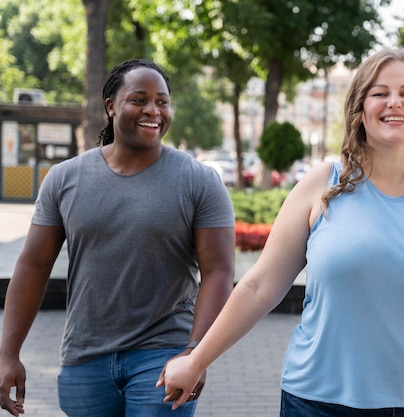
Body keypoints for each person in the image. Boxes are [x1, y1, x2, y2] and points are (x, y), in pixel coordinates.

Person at [157, 47, 404, 416]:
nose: (394, 102)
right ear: (360, 109)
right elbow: (259, 287)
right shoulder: (322, 183)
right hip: (320, 401)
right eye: (380, 93)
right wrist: (197, 359)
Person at [0, 59, 235, 417]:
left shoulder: (199, 181)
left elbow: (218, 271)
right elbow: (33, 264)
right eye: (139, 100)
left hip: (162, 356)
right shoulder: (64, 179)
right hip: (84, 358)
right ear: (111, 106)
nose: (153, 110)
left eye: (162, 101)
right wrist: (7, 354)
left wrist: (195, 352)